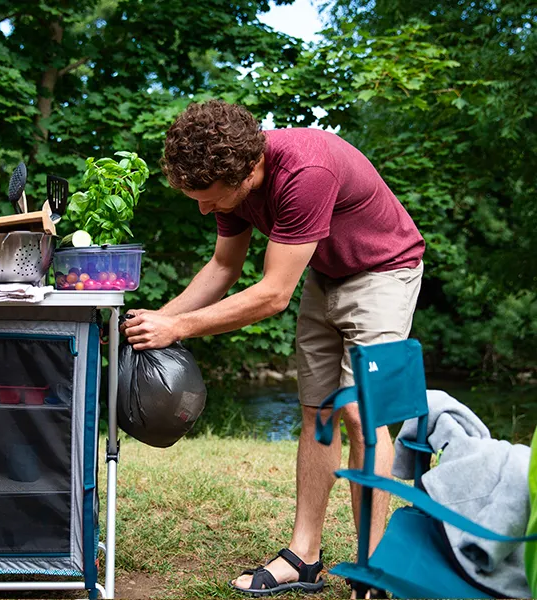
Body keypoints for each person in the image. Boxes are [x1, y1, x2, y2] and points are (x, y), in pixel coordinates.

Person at [121, 100, 424, 597]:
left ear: (246, 173)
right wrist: (156, 320)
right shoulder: (232, 186)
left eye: (208, 199)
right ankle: (304, 557)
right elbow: (223, 267)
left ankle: (374, 572)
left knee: (360, 413)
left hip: (385, 271)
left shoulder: (305, 171)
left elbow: (273, 295)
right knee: (318, 411)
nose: (203, 209)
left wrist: (177, 328)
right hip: (325, 273)